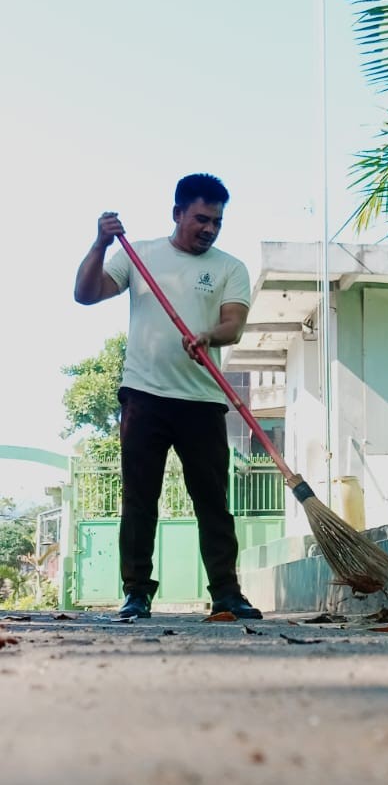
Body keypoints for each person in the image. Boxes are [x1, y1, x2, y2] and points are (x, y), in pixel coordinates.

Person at [74, 173, 262, 621]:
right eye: (201, 218)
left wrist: (209, 334)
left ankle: (226, 594)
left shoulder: (229, 267)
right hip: (144, 396)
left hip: (202, 401)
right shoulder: (139, 256)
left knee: (213, 501)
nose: (210, 229)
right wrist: (101, 244)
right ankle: (136, 593)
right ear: (178, 213)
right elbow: (85, 294)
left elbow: (233, 324)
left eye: (217, 221)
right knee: (140, 499)